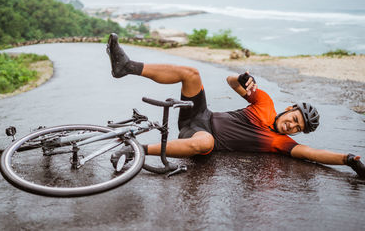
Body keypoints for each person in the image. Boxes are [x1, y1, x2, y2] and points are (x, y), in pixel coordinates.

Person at [105, 33, 365, 178]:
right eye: (295, 118)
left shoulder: (281, 143)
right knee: (191, 73)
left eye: (297, 128)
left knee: (205, 143)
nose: (292, 126)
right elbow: (230, 81)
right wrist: (241, 78)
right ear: (289, 109)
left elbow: (313, 154)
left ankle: (135, 150)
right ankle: (126, 67)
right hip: (200, 114)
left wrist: (349, 160)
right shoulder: (265, 103)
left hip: (200, 136)